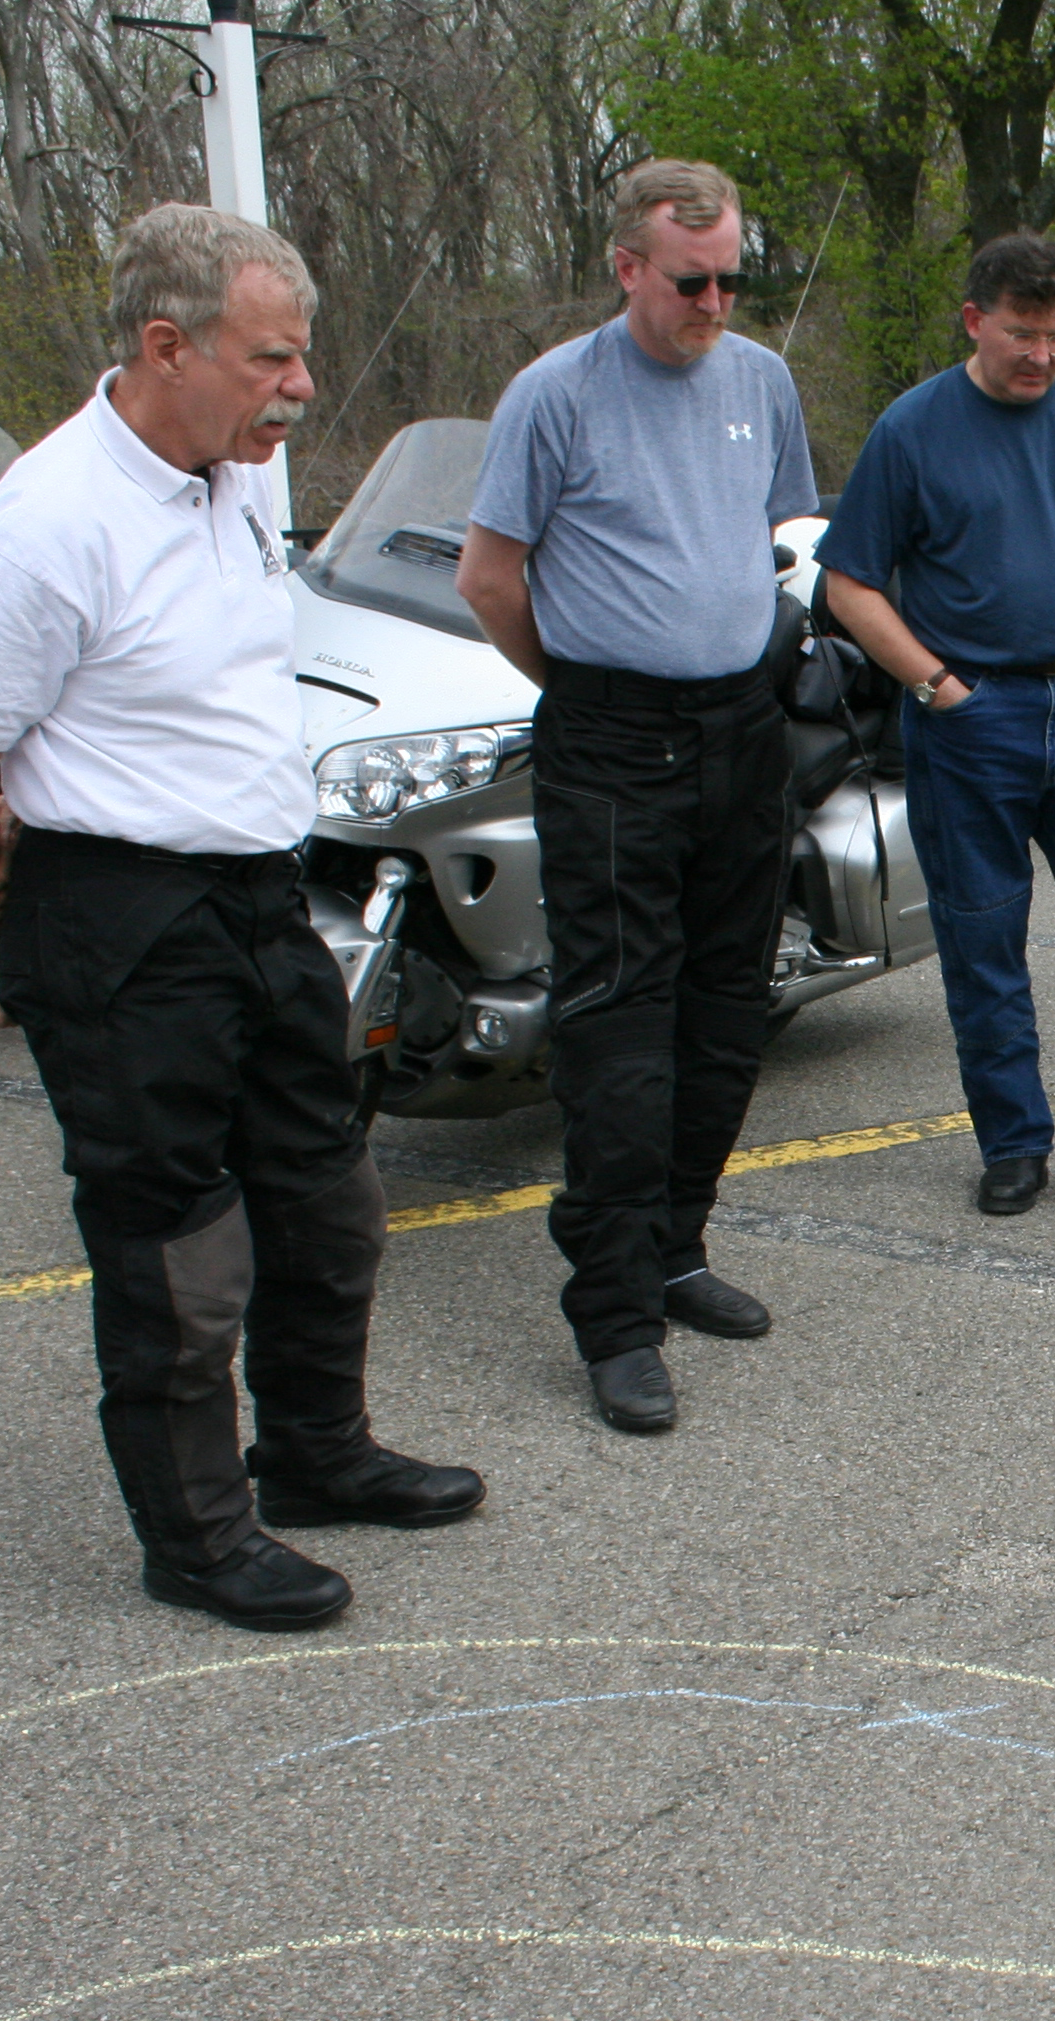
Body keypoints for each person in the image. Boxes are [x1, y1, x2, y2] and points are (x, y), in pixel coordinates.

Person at [0, 205, 483, 1633]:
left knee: (326, 1203)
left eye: (304, 358)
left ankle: (316, 1456)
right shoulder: (43, 531)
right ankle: (197, 1537)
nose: (301, 388)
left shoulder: (235, 477)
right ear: (168, 347)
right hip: (117, 917)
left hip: (256, 897)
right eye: (273, 360)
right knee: (177, 1250)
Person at [457, 159, 820, 1434]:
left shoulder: (760, 381)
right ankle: (613, 1315)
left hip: (740, 728)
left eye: (730, 279)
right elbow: (490, 578)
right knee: (618, 1033)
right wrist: (591, 682)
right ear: (627, 269)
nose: (714, 303)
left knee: (729, 1011)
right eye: (689, 282)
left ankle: (675, 1247)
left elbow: (768, 540)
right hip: (612, 739)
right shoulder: (554, 396)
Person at [816, 232, 1055, 1229]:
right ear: (975, 321)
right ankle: (1013, 1149)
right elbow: (847, 582)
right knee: (984, 950)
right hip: (970, 724)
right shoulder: (912, 430)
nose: (1042, 357)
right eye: (1023, 336)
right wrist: (939, 685)